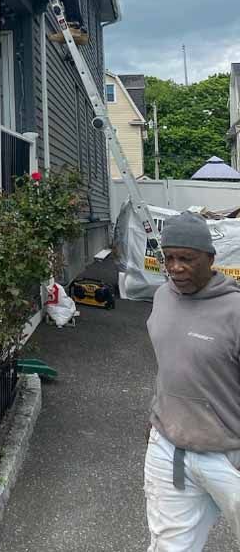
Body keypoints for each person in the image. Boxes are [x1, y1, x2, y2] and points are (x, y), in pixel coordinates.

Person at [145, 212, 240, 551]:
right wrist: (160, 414)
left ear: (211, 259)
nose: (176, 267)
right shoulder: (163, 298)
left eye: (187, 258)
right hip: (170, 450)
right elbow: (171, 364)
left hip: (229, 456)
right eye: (169, 257)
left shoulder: (235, 310)